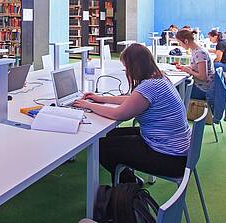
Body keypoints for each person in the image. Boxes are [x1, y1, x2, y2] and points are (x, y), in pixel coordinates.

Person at [72, 44, 190, 182]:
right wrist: (100, 98)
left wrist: (88, 105)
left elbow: (118, 114)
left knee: (101, 148)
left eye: (127, 67)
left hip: (168, 158)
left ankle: (129, 183)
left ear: (135, 67)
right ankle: (129, 178)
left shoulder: (148, 87)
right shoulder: (160, 79)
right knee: (111, 134)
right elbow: (133, 99)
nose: (126, 71)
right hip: (179, 149)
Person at [176, 29, 215, 100]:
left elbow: (203, 77)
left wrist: (189, 71)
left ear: (186, 41)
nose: (180, 45)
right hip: (202, 86)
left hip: (203, 90)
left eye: (179, 43)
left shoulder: (199, 53)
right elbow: (198, 68)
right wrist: (187, 68)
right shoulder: (196, 51)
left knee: (172, 90)